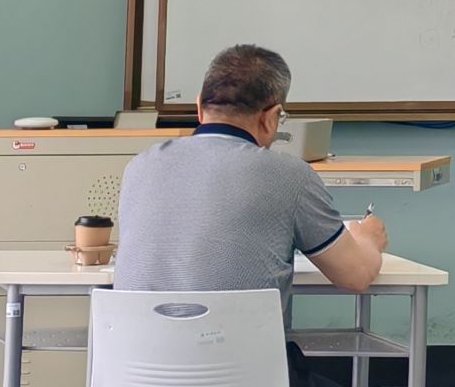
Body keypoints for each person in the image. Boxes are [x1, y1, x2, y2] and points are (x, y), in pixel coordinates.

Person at [114, 44, 388, 387]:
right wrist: (368, 238)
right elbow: (355, 276)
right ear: (271, 117)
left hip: (138, 375)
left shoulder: (140, 167)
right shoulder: (290, 175)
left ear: (199, 106)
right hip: (245, 376)